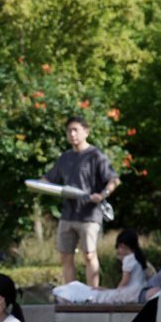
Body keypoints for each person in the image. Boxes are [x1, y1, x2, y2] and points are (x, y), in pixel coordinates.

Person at [41, 116, 121, 288]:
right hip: (67, 214)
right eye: (69, 131)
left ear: (86, 132)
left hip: (89, 215)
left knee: (89, 255)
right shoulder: (65, 157)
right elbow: (48, 179)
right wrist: (37, 184)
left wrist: (103, 194)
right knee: (65, 256)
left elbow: (113, 180)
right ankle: (71, 294)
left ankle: (92, 294)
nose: (72, 134)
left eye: (75, 130)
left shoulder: (95, 155)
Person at [92, 229, 149, 304]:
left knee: (105, 297)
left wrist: (116, 291)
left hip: (131, 291)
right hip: (141, 288)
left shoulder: (128, 259)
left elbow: (125, 280)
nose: (118, 250)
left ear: (123, 246)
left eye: (119, 247)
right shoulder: (138, 258)